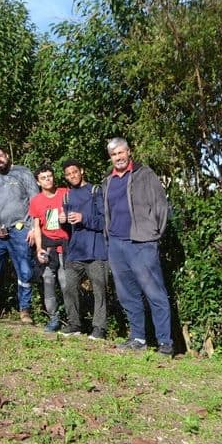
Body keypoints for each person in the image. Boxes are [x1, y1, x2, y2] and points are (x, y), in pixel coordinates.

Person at [101, 137, 174, 356]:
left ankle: (165, 343)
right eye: (114, 155)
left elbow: (161, 205)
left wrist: (153, 233)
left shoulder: (145, 174)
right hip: (117, 243)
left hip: (142, 243)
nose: (118, 158)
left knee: (154, 293)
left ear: (129, 152)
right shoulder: (108, 180)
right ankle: (138, 338)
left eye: (121, 153)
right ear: (110, 157)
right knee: (127, 294)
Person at [0, 145, 40, 323]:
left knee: (25, 270)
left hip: (20, 230)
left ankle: (25, 310)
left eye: (0, 156)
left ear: (7, 156)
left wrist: (32, 227)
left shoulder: (23, 173)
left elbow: (35, 200)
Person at [60, 159, 109, 340]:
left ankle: (99, 329)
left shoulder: (96, 191)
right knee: (68, 287)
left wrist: (83, 218)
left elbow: (105, 222)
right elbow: (68, 229)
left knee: (99, 290)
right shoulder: (67, 196)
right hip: (75, 251)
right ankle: (74, 324)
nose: (72, 176)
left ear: (82, 171)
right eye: (68, 174)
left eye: (74, 171)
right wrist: (62, 221)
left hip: (96, 250)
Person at [28, 165, 70, 332]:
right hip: (47, 246)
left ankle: (72, 319)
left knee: (66, 282)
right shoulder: (36, 201)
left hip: (66, 245)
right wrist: (38, 248)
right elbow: (37, 227)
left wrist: (67, 217)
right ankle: (53, 318)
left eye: (50, 176)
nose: (48, 180)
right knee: (48, 281)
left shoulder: (65, 193)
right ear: (38, 182)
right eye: (43, 178)